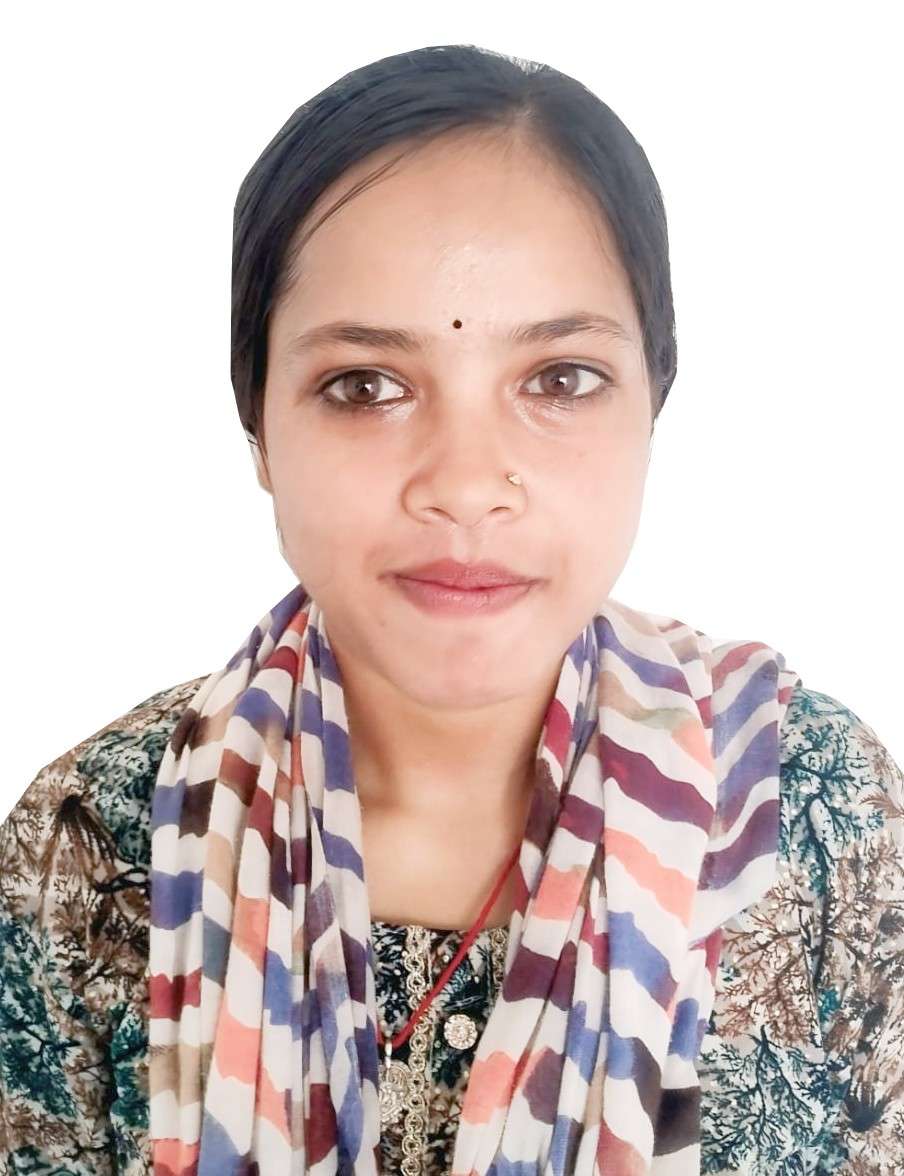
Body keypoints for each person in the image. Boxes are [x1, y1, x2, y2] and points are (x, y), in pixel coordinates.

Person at [1, 42, 902, 1176]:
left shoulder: (810, 812)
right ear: (258, 429)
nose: (468, 484)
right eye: (365, 386)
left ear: (652, 407)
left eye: (560, 379)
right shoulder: (92, 848)